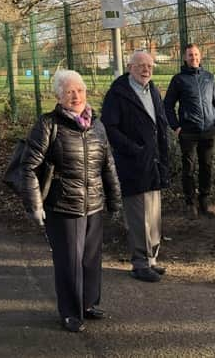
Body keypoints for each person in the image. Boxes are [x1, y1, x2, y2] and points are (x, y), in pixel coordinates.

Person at [21, 70, 121, 333]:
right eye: (69, 91)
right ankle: (69, 312)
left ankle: (88, 304)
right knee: (68, 262)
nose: (76, 96)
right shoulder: (48, 124)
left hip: (94, 204)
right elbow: (29, 167)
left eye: (80, 90)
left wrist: (114, 199)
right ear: (58, 96)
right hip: (63, 206)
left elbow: (107, 165)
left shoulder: (97, 125)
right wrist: (35, 205)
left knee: (90, 259)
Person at [101, 51, 170, 283]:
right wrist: (134, 149)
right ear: (129, 67)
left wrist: (163, 158)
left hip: (154, 162)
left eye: (149, 66)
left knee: (154, 213)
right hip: (133, 163)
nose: (146, 70)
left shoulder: (153, 90)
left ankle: (152, 259)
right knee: (138, 215)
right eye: (141, 65)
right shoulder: (118, 94)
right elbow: (110, 128)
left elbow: (161, 126)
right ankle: (139, 263)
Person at [164, 43, 215, 219]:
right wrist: (176, 126)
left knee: (207, 166)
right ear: (184, 58)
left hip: (208, 131)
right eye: (190, 55)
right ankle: (190, 204)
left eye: (196, 54)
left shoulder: (209, 77)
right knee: (189, 168)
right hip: (188, 131)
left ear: (200, 56)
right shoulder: (178, 80)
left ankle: (204, 201)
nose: (193, 58)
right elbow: (167, 105)